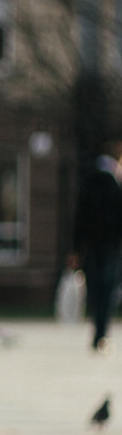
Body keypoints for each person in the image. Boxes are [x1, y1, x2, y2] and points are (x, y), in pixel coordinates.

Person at [73, 150, 122, 351]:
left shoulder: (87, 186)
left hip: (91, 247)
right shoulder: (116, 188)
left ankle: (96, 330)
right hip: (111, 247)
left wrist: (75, 249)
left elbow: (78, 220)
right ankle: (102, 332)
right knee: (107, 290)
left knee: (94, 290)